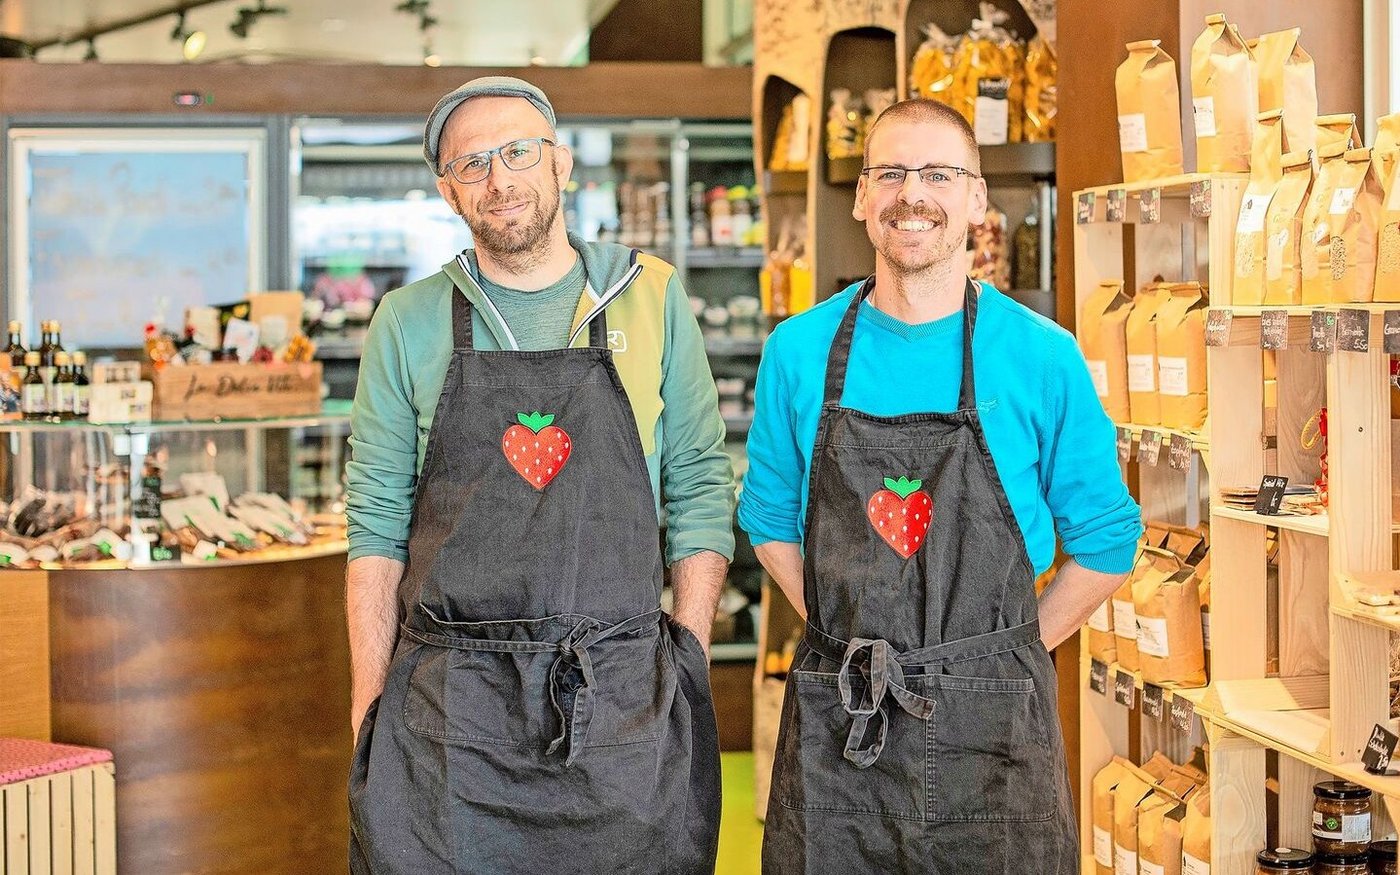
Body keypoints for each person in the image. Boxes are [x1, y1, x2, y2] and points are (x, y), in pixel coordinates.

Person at [739, 99, 1142, 873]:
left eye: (937, 173)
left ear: (976, 199)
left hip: (995, 736)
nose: (911, 194)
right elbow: (768, 521)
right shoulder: (797, 351)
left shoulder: (1041, 355)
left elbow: (1108, 540)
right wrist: (843, 633)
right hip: (844, 716)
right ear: (862, 197)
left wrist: (1004, 650)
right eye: (889, 172)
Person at [345, 76, 734, 874]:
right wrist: (368, 702)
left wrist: (685, 657)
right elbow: (376, 528)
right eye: (473, 163)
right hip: (452, 707)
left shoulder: (649, 297)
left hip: (622, 696)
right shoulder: (408, 320)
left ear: (560, 163)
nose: (500, 178)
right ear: (448, 192)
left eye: (518, 151)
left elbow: (699, 485)